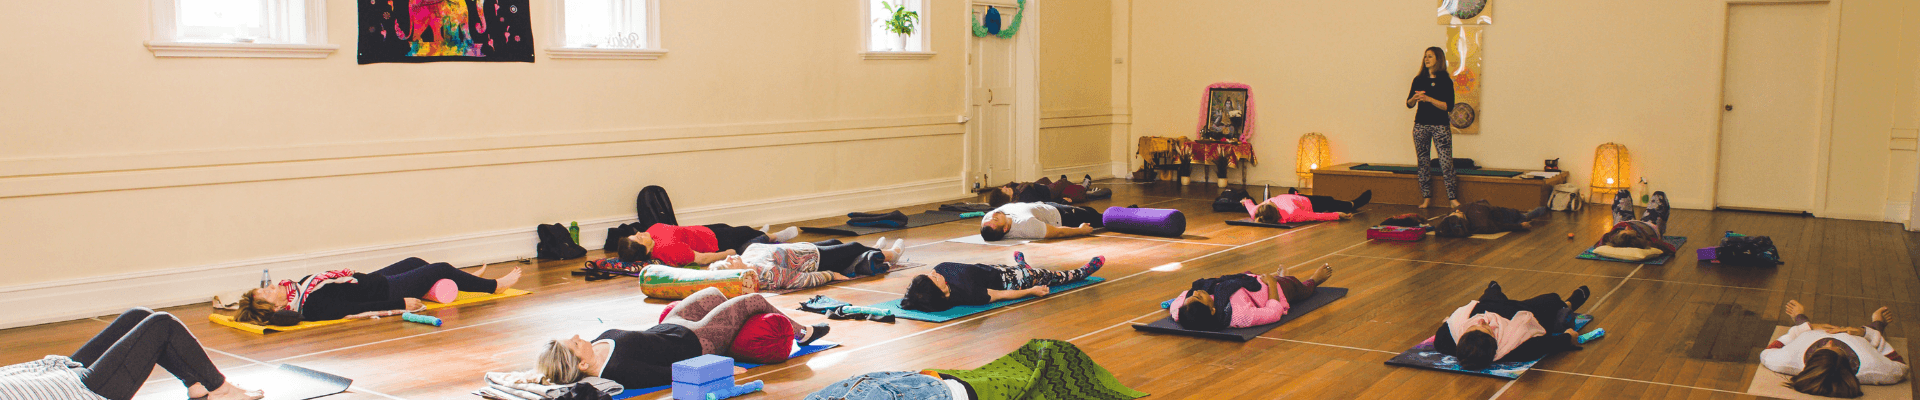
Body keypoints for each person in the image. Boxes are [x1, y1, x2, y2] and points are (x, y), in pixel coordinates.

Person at [535, 287, 830, 388]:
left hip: (674, 325)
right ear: (583, 365)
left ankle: (739, 326)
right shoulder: (620, 369)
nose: (576, 336)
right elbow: (673, 375)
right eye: (574, 344)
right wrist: (724, 370)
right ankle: (803, 333)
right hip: (699, 340)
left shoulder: (593, 351)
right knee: (751, 300)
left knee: (713, 294)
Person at [0, 307, 264, 400]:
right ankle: (222, 391)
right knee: (162, 325)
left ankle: (198, 387)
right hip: (77, 392)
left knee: (138, 316)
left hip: (57, 372)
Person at [233, 257, 520, 325]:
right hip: (384, 289)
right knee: (440, 268)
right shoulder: (311, 306)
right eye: (268, 293)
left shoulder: (299, 290)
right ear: (276, 309)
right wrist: (400, 303)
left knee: (417, 262)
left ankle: (464, 279)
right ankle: (494, 286)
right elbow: (353, 309)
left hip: (369, 280)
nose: (271, 287)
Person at [1433, 281, 1597, 370]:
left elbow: (1442, 335)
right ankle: (1568, 304)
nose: (1481, 321)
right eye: (1485, 328)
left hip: (1489, 305)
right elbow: (1547, 345)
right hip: (1521, 313)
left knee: (1491, 294)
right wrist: (1569, 337)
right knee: (1552, 299)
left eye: (1474, 327)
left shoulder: (1446, 339)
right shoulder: (1517, 347)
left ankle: (1493, 289)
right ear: (1495, 345)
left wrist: (1450, 323)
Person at [1760, 300, 1907, 397]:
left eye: (1822, 348)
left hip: (1811, 332)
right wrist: (1869, 333)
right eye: (1837, 349)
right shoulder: (1872, 368)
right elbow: (1900, 365)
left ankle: (1800, 318)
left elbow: (1768, 351)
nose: (1830, 342)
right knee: (1875, 329)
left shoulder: (1788, 361)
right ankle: (1877, 323)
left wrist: (1803, 327)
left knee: (1801, 324)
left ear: (1810, 362)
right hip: (1859, 338)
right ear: (1848, 364)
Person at [900, 253, 1104, 312]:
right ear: (941, 292)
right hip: (1013, 282)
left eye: (930, 275)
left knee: (1026, 270)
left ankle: (1023, 265)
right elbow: (1002, 295)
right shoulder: (971, 295)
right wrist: (1031, 291)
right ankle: (1082, 272)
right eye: (933, 279)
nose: (934, 273)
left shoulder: (939, 273)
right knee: (1052, 276)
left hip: (992, 268)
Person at [1168, 265, 1334, 331]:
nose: (1196, 292)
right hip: (1271, 289)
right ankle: (1314, 280)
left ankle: (1278, 276)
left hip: (1248, 283)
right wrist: (1272, 283)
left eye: (1194, 296)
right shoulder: (1238, 316)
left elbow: (1179, 300)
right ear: (1212, 311)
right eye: (1198, 298)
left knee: (1246, 272)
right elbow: (1273, 313)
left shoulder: (1182, 312)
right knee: (1297, 286)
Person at [709, 238, 908, 291]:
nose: (728, 259)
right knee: (853, 246)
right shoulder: (765, 274)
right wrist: (831, 275)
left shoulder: (747, 258)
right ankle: (892, 255)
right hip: (815, 261)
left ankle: (871, 249)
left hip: (807, 248)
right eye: (728, 265)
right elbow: (800, 280)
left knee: (837, 243)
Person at [1407, 46, 1459, 209]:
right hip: (1420, 124)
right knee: (1423, 162)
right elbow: (1408, 103)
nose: (1426, 59)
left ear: (1438, 59)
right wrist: (1415, 98)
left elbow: (1447, 106)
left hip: (1440, 126)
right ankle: (1426, 197)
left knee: (1445, 162)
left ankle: (1452, 197)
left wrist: (1429, 99)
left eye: (1430, 56)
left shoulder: (1445, 81)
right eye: (1425, 56)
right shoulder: (1418, 79)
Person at [617, 223, 800, 267]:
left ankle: (759, 232)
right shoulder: (670, 251)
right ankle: (774, 236)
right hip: (716, 243)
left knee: (739, 229)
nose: (639, 233)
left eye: (635, 235)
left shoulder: (651, 232)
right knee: (745, 235)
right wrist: (727, 252)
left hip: (706, 231)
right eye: (638, 239)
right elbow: (702, 258)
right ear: (646, 250)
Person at [978, 202, 1103, 241]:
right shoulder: (1026, 225)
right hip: (1062, 216)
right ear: (1005, 229)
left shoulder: (987, 222)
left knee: (1090, 210)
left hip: (1046, 205)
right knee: (1095, 216)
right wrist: (1081, 230)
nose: (993, 214)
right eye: (995, 219)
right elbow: (1058, 233)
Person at [1432, 200, 1550, 238]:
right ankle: (1538, 210)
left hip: (1484, 205)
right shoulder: (1481, 224)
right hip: (1506, 216)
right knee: (1524, 217)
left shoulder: (1451, 219)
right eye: (1458, 214)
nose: (1457, 211)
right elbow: (1500, 226)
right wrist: (1520, 226)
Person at [1240, 190, 1371, 224]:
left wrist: (1246, 201)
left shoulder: (1256, 211)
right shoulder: (1292, 214)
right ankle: (1352, 204)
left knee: (1328, 200)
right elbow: (1315, 215)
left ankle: (1351, 203)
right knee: (1329, 201)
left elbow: (1250, 204)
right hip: (1308, 204)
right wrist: (1338, 214)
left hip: (1301, 199)